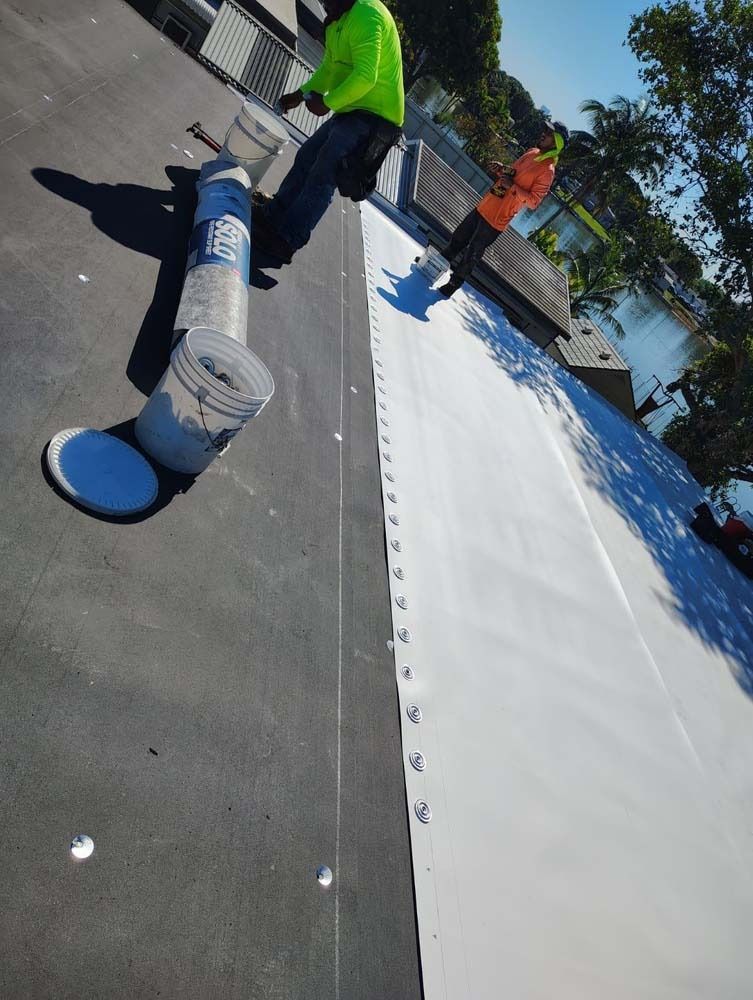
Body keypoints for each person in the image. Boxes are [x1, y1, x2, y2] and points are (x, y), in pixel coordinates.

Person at [252, 0, 404, 263]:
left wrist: (327, 103)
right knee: (307, 158)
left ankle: (287, 239)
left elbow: (366, 76)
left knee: (323, 174)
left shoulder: (367, 14)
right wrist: (300, 95)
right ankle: (274, 215)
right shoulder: (337, 22)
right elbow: (330, 69)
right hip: (353, 109)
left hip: (376, 117)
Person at [437, 121, 570, 297]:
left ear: (556, 143)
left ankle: (452, 286)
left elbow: (533, 202)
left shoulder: (548, 171)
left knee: (471, 256)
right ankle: (435, 265)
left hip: (497, 219)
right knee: (458, 238)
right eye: (544, 129)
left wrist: (512, 187)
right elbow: (511, 174)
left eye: (548, 133)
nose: (543, 133)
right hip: (486, 204)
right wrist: (501, 169)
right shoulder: (532, 152)